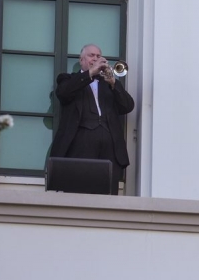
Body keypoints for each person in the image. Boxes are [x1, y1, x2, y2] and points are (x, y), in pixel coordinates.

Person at [50, 44, 135, 190]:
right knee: (79, 189)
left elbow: (127, 106)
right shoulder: (68, 79)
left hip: (110, 148)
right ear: (81, 60)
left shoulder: (108, 84)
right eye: (91, 55)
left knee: (108, 192)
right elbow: (64, 93)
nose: (95, 59)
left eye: (98, 56)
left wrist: (113, 83)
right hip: (80, 146)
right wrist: (90, 73)